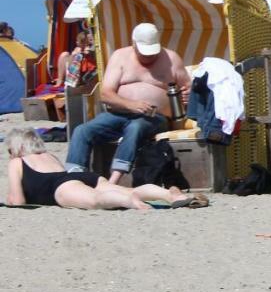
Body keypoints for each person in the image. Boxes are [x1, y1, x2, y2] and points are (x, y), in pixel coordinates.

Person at [65, 23, 190, 185]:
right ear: (133, 44)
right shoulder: (120, 57)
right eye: (144, 52)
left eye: (152, 52)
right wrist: (131, 105)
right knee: (82, 130)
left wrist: (188, 94)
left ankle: (113, 181)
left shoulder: (171, 59)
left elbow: (188, 87)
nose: (149, 57)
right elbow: (106, 94)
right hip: (119, 113)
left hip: (155, 117)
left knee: (135, 127)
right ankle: (74, 178)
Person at [7, 126, 200, 210]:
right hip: (82, 177)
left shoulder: (17, 162)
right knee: (128, 189)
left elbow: (18, 201)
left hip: (60, 188)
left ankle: (130, 202)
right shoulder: (49, 156)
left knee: (95, 200)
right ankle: (171, 195)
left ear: (18, 147)